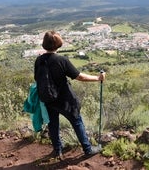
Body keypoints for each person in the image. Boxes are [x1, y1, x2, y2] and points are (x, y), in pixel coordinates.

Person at [34, 31, 105, 159]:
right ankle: (87, 149)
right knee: (77, 121)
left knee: (53, 124)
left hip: (48, 99)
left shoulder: (39, 60)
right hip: (65, 100)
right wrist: (98, 78)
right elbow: (80, 76)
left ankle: (58, 150)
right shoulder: (62, 60)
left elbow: (36, 78)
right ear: (58, 44)